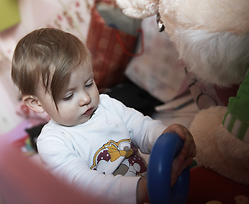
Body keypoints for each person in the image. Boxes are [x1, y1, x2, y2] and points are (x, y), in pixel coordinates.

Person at [11, 28, 196, 204]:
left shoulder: (106, 104)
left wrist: (165, 134)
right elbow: (83, 185)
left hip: (150, 191)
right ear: (36, 103)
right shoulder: (52, 142)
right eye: (68, 96)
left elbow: (141, 127)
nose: (85, 98)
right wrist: (140, 190)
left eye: (89, 83)